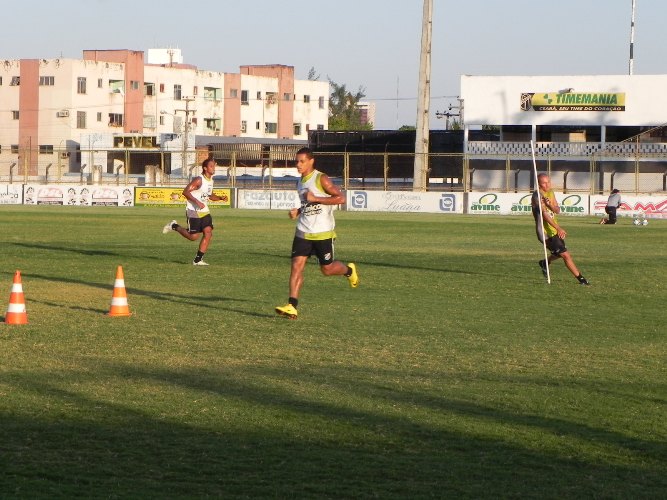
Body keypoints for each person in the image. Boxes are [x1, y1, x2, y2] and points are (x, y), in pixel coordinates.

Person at [275, 147, 358, 319]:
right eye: (296, 161)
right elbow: (307, 204)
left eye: (301, 161)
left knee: (327, 270)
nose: (298, 165)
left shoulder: (321, 179)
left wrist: (317, 198)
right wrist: (297, 211)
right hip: (303, 231)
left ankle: (348, 271)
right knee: (296, 267)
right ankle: (292, 305)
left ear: (311, 161)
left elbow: (341, 198)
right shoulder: (299, 182)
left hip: (323, 233)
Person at [162, 158, 225, 265]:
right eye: (211, 166)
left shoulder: (211, 181)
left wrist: (219, 198)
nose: (213, 168)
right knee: (193, 237)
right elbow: (185, 192)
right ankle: (174, 226)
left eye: (214, 166)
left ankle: (198, 260)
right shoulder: (199, 180)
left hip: (204, 210)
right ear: (205, 168)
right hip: (193, 211)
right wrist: (197, 202)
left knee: (208, 233)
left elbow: (209, 196)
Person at [532, 173, 590, 285]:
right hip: (545, 232)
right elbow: (544, 215)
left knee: (559, 253)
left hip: (553, 229)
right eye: (544, 183)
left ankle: (545, 262)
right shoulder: (537, 196)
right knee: (565, 255)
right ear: (539, 184)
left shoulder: (550, 192)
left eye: (548, 181)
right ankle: (581, 279)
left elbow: (557, 210)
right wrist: (559, 228)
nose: (547, 184)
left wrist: (550, 206)